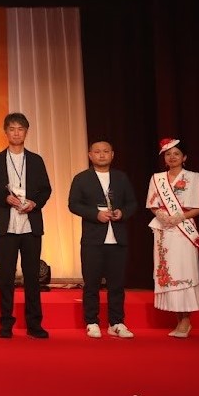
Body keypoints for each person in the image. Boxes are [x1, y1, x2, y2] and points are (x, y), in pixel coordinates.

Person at [0, 112, 52, 339]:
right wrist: (5, 198)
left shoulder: (36, 160)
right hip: (6, 228)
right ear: (6, 132)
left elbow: (46, 189)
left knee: (32, 278)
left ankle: (34, 324)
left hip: (31, 227)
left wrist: (34, 203)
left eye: (20, 129)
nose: (16, 133)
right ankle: (6, 324)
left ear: (26, 132)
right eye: (12, 129)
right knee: (6, 277)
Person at [68, 140, 139, 339]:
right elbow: (73, 204)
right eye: (97, 152)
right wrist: (95, 214)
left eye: (106, 151)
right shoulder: (82, 178)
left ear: (112, 154)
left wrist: (122, 213)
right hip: (93, 240)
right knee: (91, 283)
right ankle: (91, 322)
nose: (101, 155)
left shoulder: (121, 178)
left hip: (118, 239)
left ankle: (116, 322)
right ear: (90, 155)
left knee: (117, 284)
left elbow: (132, 203)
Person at [146, 138, 199, 338]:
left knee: (184, 270)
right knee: (169, 272)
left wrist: (180, 217)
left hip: (184, 230)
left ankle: (186, 320)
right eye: (168, 154)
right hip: (164, 230)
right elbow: (153, 204)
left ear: (184, 157)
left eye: (176, 154)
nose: (172, 157)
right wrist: (161, 215)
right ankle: (179, 319)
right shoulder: (157, 179)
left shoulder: (194, 177)